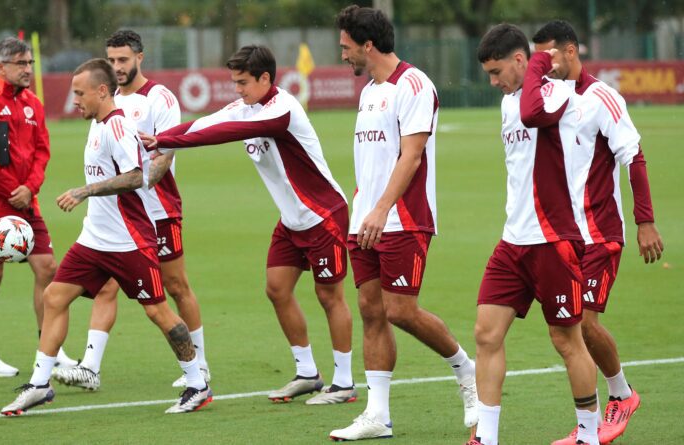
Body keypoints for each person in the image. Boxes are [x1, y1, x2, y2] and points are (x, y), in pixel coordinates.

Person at [146, 45, 357, 405]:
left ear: (265, 78)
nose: (237, 90)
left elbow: (224, 133)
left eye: (243, 82)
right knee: (276, 289)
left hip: (323, 217)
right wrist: (159, 137)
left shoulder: (282, 110)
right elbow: (207, 122)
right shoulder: (246, 106)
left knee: (329, 296)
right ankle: (307, 373)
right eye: (234, 82)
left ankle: (345, 382)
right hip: (292, 222)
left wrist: (166, 141)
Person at [0, 59, 211, 416]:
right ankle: (39, 385)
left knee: (158, 311)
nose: (75, 101)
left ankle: (197, 383)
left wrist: (86, 191)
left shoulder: (117, 128)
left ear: (101, 91)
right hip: (94, 240)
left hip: (129, 241)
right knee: (54, 296)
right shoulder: (97, 124)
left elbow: (134, 176)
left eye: (80, 93)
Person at [329, 6, 477, 441]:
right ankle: (378, 416)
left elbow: (411, 156)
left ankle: (467, 371)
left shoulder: (415, 85)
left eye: (345, 48)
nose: (343, 56)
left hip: (404, 218)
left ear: (367, 44)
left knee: (400, 310)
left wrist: (381, 209)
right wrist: (364, 211)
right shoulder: (368, 90)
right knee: (371, 311)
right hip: (366, 220)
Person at [52, 30, 211, 391]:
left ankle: (200, 366)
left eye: (123, 59)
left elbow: (165, 154)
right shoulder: (103, 100)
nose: (117, 67)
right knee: (105, 285)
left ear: (140, 57)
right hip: (116, 218)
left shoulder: (159, 98)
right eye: (111, 60)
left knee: (176, 286)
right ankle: (90, 367)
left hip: (158, 211)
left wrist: (139, 186)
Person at [532, 20, 664, 445]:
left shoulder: (602, 97)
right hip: (560, 237)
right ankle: (595, 418)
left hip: (601, 233)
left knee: (583, 323)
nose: (541, 63)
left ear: (570, 51)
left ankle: (621, 395)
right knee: (567, 328)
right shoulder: (546, 99)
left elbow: (633, 156)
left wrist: (645, 220)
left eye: (547, 54)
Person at [469, 24, 599, 445]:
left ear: (521, 60)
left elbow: (532, 112)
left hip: (554, 240)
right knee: (486, 333)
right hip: (513, 241)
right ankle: (485, 438)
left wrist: (543, 62)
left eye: (497, 71)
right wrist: (521, 79)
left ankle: (589, 434)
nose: (493, 82)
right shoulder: (510, 101)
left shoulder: (559, 94)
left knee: (567, 340)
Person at [0, 37, 76, 378]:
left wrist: (30, 188)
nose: (28, 69)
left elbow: (42, 151)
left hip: (26, 202)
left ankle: (48, 349)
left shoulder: (33, 104)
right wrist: (13, 190)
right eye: (21, 64)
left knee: (48, 268)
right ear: (0, 67)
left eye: (30, 63)